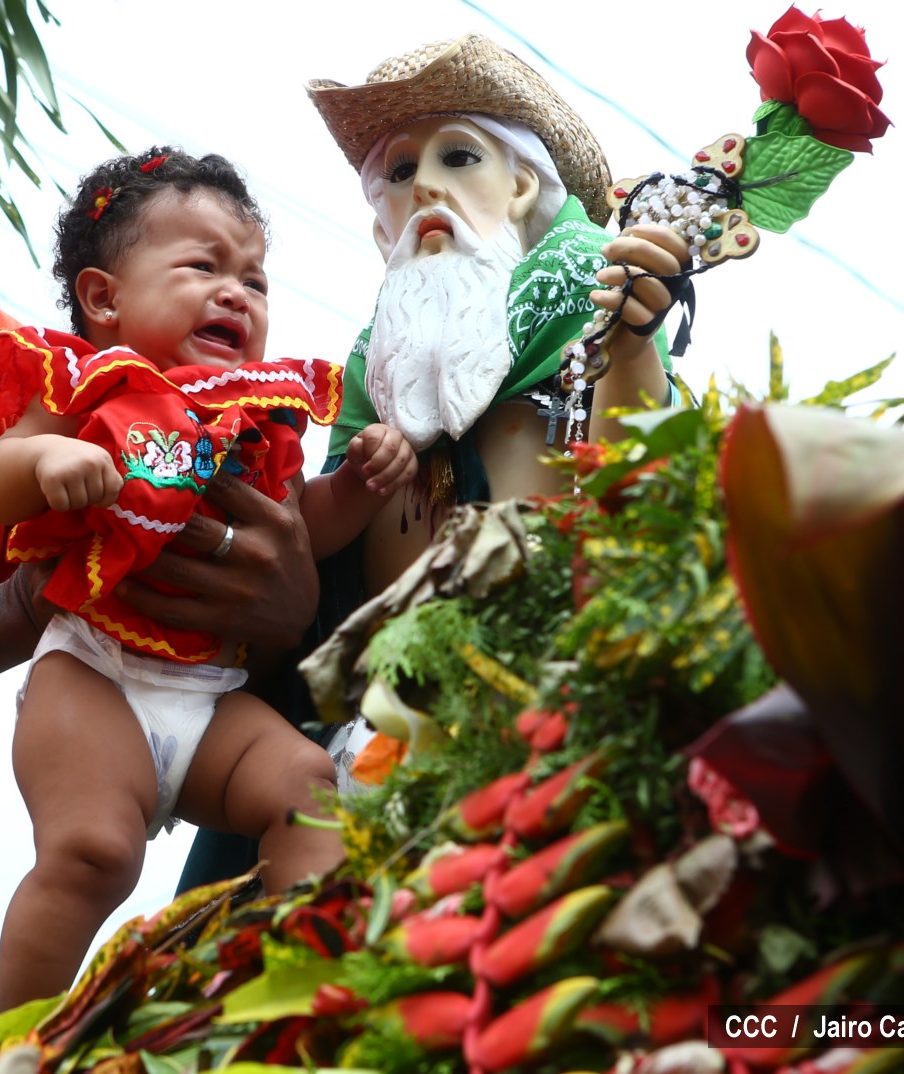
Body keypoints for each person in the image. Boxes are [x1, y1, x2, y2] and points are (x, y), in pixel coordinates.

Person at [0, 0, 321, 947]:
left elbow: (234, 565)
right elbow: (51, 590)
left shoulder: (37, 377)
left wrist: (281, 601)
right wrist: (23, 606)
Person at [177, 33, 694, 891]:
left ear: (521, 187)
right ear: (380, 220)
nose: (424, 186)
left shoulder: (598, 307)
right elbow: (308, 597)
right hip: (356, 771)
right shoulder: (365, 376)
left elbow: (645, 512)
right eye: (398, 170)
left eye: (459, 156)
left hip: (537, 756)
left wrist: (633, 344)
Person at [0, 147, 417, 1011]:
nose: (236, 294)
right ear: (103, 299)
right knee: (94, 853)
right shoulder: (90, 386)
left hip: (212, 701)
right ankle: (16, 1042)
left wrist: (362, 485)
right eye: (202, 268)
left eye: (254, 280)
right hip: (93, 674)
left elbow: (302, 526)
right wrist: (50, 459)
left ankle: (289, 999)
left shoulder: (259, 417)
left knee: (306, 789)